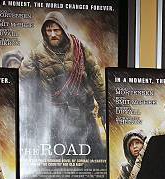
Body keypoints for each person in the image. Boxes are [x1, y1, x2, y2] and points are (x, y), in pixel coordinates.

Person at [19, 11, 105, 153]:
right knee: (62, 161)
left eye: (56, 30)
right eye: (48, 30)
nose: (52, 34)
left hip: (85, 114)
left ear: (63, 30)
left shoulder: (80, 48)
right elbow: (24, 84)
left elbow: (96, 77)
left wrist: (103, 105)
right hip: (56, 118)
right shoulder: (36, 54)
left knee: (97, 157)